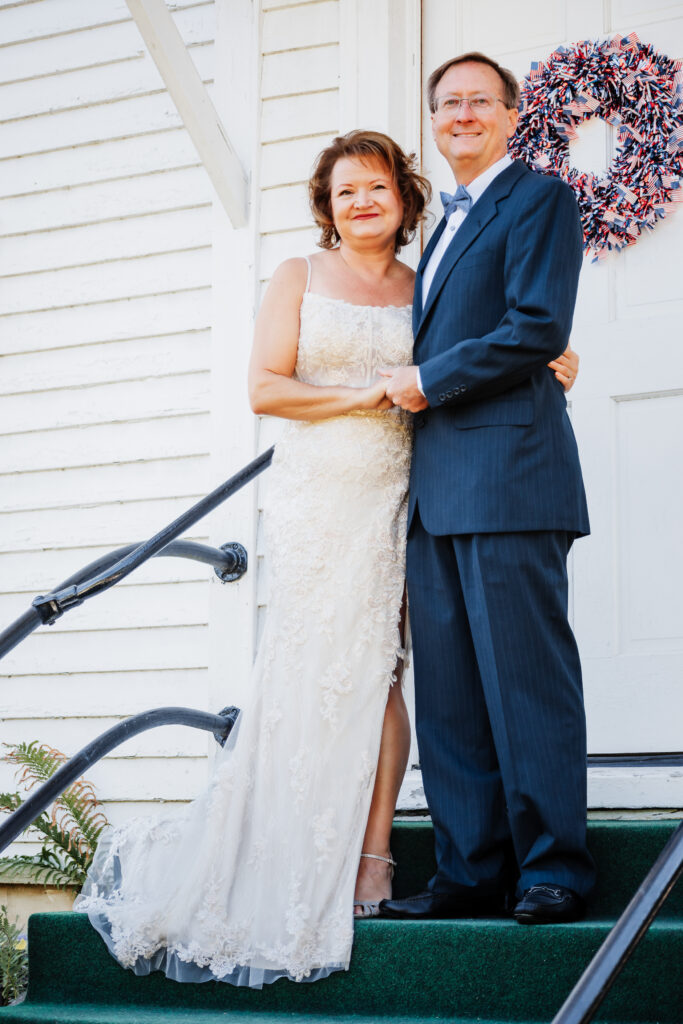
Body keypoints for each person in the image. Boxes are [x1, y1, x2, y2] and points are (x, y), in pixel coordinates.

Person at [74, 129, 580, 987]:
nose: (361, 203)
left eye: (376, 188)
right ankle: (273, 854)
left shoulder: (427, 286)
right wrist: (367, 393)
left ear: (403, 199)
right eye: (345, 191)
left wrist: (550, 362)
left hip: (402, 494)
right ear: (327, 205)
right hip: (322, 493)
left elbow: (482, 350)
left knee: (380, 671)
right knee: (313, 667)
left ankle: (373, 858)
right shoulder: (297, 277)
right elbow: (265, 387)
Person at [379, 53, 596, 926]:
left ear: (511, 114)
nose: (461, 113)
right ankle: (469, 869)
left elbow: (536, 326)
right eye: (447, 103)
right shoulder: (437, 228)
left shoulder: (538, 197)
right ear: (434, 121)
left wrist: (429, 377)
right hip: (434, 490)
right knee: (453, 693)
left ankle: (554, 870)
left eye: (478, 100)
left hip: (511, 477)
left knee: (526, 683)